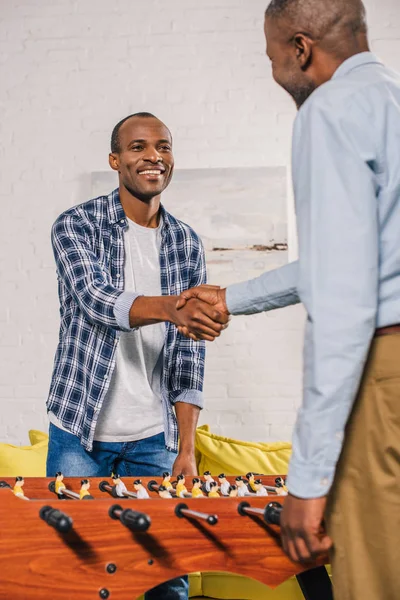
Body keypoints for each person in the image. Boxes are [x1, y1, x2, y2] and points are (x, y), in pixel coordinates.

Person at [177, 1, 400, 597]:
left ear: (300, 49)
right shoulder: (392, 100)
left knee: (375, 581)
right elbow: (351, 259)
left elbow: (343, 300)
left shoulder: (331, 109)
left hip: (386, 374)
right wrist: (231, 296)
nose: (275, 72)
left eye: (273, 57)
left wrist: (305, 481)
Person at [46, 111, 228, 600]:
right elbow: (97, 300)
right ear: (115, 160)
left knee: (166, 581)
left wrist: (186, 446)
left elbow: (190, 353)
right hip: (79, 435)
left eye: (163, 147)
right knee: (76, 579)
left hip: (155, 440)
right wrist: (175, 308)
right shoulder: (76, 226)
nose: (154, 156)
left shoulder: (185, 242)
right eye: (139, 147)